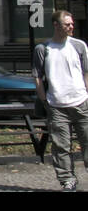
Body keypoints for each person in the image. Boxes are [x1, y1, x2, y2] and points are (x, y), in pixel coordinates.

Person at [33, 10, 88, 191]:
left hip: (81, 102)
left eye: (72, 24)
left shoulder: (79, 46)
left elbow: (86, 73)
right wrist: (44, 100)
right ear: (56, 25)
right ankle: (67, 180)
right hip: (56, 104)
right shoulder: (43, 49)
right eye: (67, 24)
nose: (72, 26)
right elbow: (38, 77)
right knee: (61, 146)